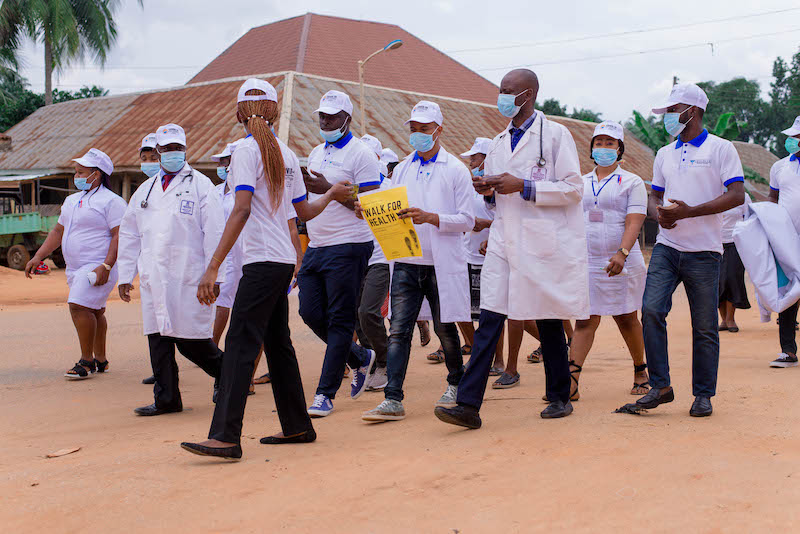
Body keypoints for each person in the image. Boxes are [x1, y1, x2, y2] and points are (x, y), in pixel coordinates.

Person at [181, 78, 352, 460]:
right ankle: (297, 426)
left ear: (238, 112)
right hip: (279, 261)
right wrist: (331, 195)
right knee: (277, 343)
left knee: (240, 345)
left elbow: (241, 209)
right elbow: (303, 212)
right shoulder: (286, 154)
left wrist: (212, 267)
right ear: (274, 111)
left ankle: (225, 435)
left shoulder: (245, 150)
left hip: (261, 261)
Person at [435, 68, 589, 429]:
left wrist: (524, 186)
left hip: (542, 240)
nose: (502, 96)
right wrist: (486, 189)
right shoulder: (499, 141)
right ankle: (469, 405)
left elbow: (573, 189)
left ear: (529, 94)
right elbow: (499, 195)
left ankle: (560, 396)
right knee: (490, 316)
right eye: (500, 90)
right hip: (506, 238)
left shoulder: (554, 135)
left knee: (548, 318)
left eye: (508, 91)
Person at [625, 84, 744, 418]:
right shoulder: (664, 153)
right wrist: (658, 212)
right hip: (668, 246)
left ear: (694, 111)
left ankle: (703, 395)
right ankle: (660, 386)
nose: (669, 118)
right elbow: (654, 195)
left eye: (673, 111)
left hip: (705, 251)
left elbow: (736, 195)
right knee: (650, 310)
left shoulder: (722, 149)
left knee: (704, 325)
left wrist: (689, 212)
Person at [361, 100, 474, 422]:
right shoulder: (403, 169)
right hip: (408, 261)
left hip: (442, 263)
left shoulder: (455, 170)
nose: (418, 135)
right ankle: (392, 398)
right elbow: (389, 207)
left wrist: (432, 218)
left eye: (424, 129)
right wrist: (370, 211)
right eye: (414, 129)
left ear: (439, 129)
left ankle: (456, 383)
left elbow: (467, 219)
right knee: (398, 331)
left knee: (445, 328)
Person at [117, 123, 225, 416]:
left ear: (185, 149)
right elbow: (129, 234)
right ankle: (166, 398)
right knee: (158, 338)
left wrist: (215, 275)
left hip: (190, 276)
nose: (173, 153)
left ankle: (228, 374)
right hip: (155, 276)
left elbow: (215, 232)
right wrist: (126, 275)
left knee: (190, 341)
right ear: (159, 152)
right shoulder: (145, 190)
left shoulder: (201, 185)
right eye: (167, 149)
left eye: (178, 148)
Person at [301, 90, 381, 418]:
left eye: (332, 117)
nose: (325, 121)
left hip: (350, 244)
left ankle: (325, 394)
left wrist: (332, 194)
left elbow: (372, 209)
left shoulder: (362, 155)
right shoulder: (315, 153)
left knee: (339, 320)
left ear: (347, 119)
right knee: (309, 312)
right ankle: (360, 357)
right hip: (318, 245)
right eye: (322, 116)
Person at [24, 149, 126, 379]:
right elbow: (58, 231)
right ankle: (101, 359)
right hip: (74, 268)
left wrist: (107, 266)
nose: (76, 175)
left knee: (78, 306)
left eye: (81, 171)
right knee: (95, 310)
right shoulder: (72, 200)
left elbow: (120, 235)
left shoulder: (112, 202)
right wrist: (38, 256)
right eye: (76, 171)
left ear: (97, 174)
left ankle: (86, 361)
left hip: (98, 265)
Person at [565, 121, 649, 401]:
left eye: (609, 143)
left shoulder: (632, 181)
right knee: (585, 320)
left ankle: (640, 371)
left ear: (619, 148)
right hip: (588, 261)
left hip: (623, 261)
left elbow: (634, 221)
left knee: (626, 318)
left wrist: (622, 253)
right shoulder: (580, 181)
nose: (603, 148)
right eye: (599, 143)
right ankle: (572, 381)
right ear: (591, 148)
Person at [459, 137, 509, 385]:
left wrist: (485, 225)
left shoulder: (501, 185)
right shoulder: (470, 184)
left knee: (491, 312)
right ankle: (478, 352)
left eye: (475, 158)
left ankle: (498, 360)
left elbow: (507, 218)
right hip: (467, 253)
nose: (471, 162)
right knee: (463, 310)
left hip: (492, 254)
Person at [354, 133, 391, 391]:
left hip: (381, 257)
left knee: (368, 312)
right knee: (356, 316)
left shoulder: (390, 186)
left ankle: (387, 361)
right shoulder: (349, 186)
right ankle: (371, 358)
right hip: (355, 257)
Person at [768, 116, 800, 368]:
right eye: (793, 136)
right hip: (787, 241)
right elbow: (772, 200)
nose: (793, 141)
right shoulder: (779, 167)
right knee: (788, 293)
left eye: (797, 137)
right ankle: (787, 350)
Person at [138, 133, 160, 386]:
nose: (149, 161)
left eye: (153, 156)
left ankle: (223, 371)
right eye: (144, 158)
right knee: (153, 326)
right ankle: (162, 372)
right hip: (149, 267)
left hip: (178, 267)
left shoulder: (192, 184)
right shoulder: (143, 190)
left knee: (182, 331)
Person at [718, 193, 752, 333]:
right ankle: (723, 320)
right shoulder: (711, 192)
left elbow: (750, 218)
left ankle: (731, 318)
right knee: (718, 280)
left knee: (732, 278)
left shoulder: (742, 196)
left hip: (735, 242)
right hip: (714, 243)